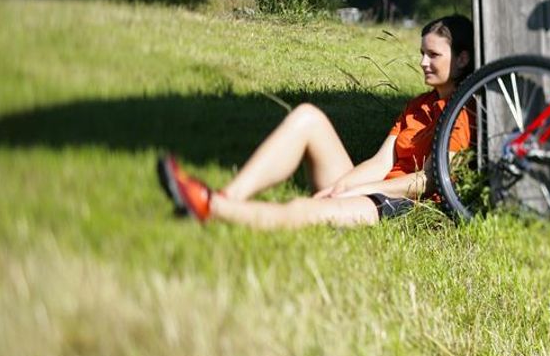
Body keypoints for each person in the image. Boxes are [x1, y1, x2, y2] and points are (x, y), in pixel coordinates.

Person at [157, 14, 474, 230]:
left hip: (404, 204)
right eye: (422, 53)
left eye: (433, 55)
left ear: (462, 59)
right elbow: (381, 161)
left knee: (304, 210)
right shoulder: (419, 104)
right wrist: (344, 185)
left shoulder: (461, 112)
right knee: (307, 116)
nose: (423, 62)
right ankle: (229, 196)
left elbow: (428, 182)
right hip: (373, 190)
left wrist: (359, 190)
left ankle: (210, 205)